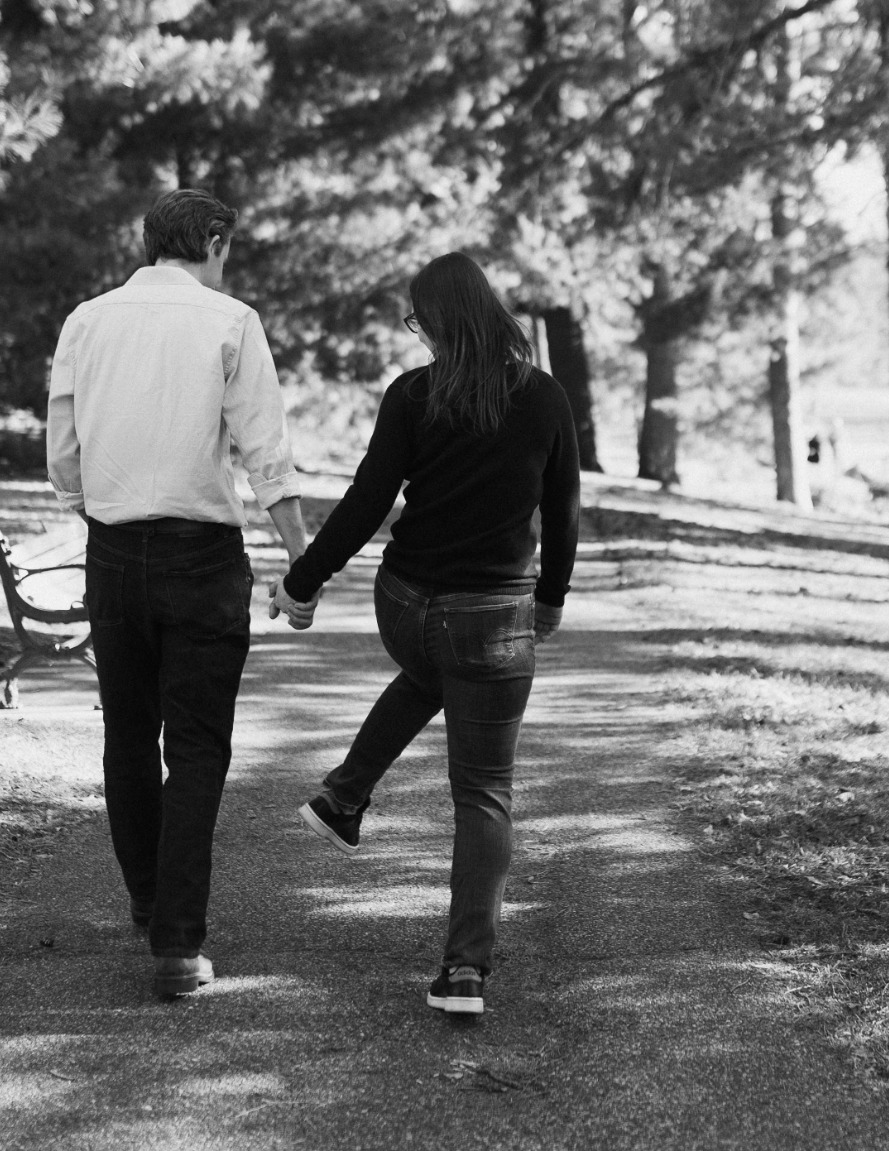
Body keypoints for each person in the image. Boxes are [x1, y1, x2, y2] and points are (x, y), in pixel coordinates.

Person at [270, 251, 581, 1017]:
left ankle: (345, 795)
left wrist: (302, 581)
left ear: (436, 322)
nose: (416, 336)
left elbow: (367, 498)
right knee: (483, 792)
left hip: (406, 607)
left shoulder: (412, 395)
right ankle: (464, 972)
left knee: (435, 667)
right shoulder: (542, 396)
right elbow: (565, 511)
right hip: (496, 617)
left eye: (416, 321)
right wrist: (550, 600)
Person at [47, 188, 313, 999]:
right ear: (212, 238)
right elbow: (266, 455)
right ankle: (177, 941)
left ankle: (146, 894)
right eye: (226, 246)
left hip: (114, 550)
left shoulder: (86, 321)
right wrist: (301, 561)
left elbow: (64, 456)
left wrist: (102, 511)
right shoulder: (230, 321)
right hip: (201, 556)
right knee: (196, 747)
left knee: (128, 735)